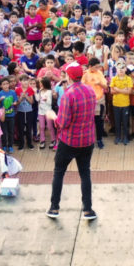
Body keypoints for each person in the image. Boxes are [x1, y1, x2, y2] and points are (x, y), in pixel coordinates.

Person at [45, 62, 97, 221]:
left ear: (68, 76)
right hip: (87, 140)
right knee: (85, 173)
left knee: (59, 173)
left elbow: (63, 122)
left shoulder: (68, 94)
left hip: (69, 141)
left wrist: (52, 116)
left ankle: (54, 207)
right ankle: (87, 209)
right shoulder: (90, 90)